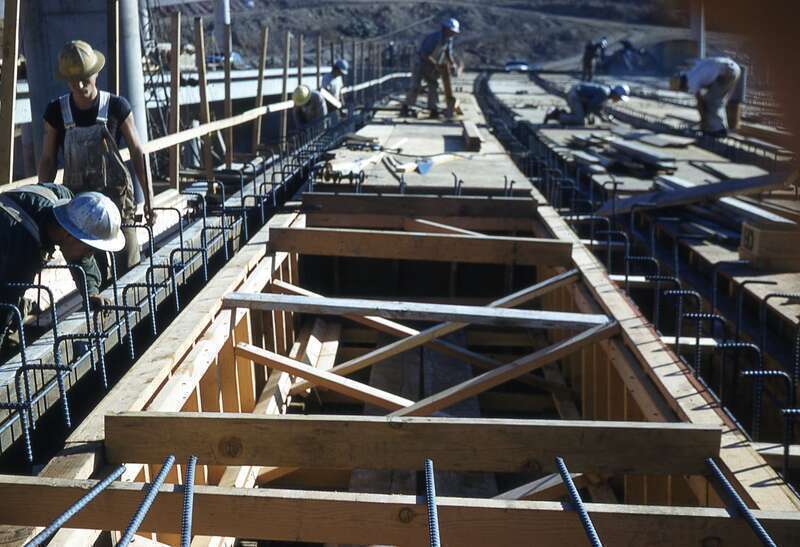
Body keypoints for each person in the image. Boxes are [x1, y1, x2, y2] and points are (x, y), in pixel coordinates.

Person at [37, 40, 155, 281]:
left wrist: (149, 199)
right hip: (81, 210)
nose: (79, 85)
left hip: (118, 203)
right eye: (73, 80)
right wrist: (44, 210)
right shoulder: (56, 112)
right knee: (92, 275)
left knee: (130, 271)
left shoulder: (116, 107)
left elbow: (138, 152)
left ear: (96, 72)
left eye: (85, 78)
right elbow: (48, 160)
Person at [0, 185, 124, 352]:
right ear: (69, 235)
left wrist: (91, 292)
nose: (91, 254)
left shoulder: (66, 203)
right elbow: (4, 305)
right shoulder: (20, 252)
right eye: (89, 248)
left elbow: (81, 259)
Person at [401, 18, 460, 118]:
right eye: (451, 31)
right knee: (416, 87)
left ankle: (433, 109)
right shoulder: (433, 38)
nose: (453, 34)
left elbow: (447, 53)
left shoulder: (448, 39)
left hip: (432, 66)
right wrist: (436, 64)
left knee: (433, 86)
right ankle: (407, 107)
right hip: (421, 64)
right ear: (445, 29)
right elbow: (424, 54)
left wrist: (452, 64)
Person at [671, 56, 742, 137]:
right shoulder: (691, 73)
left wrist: (703, 120)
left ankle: (720, 131)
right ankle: (715, 127)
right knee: (711, 99)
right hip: (731, 68)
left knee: (712, 100)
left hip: (727, 71)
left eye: (681, 90)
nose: (684, 91)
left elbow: (700, 103)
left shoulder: (691, 82)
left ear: (681, 86)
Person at [543, 83, 630, 125]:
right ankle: (555, 115)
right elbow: (592, 106)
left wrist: (603, 117)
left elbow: (595, 107)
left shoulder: (606, 93)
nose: (618, 100)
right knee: (579, 121)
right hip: (575, 96)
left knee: (582, 117)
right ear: (616, 94)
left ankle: (562, 114)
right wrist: (601, 117)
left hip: (577, 95)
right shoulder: (604, 93)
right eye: (619, 98)